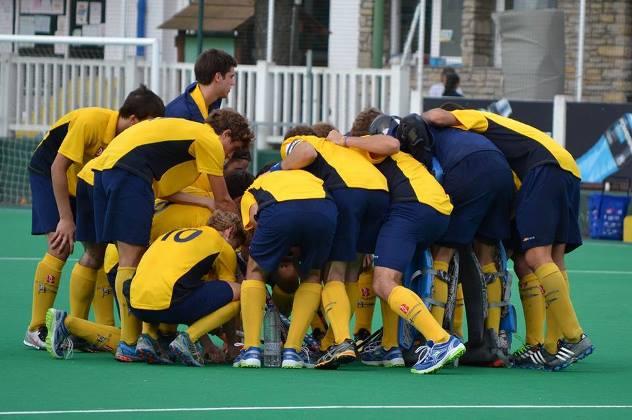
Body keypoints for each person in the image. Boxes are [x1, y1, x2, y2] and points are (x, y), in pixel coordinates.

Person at [422, 107, 593, 370]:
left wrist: (418, 121)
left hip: (543, 168)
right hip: (567, 168)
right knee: (551, 260)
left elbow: (436, 117)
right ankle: (548, 345)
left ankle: (574, 336)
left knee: (537, 257)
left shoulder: (475, 118)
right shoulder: (504, 136)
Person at [88, 109, 253, 361]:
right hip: (130, 172)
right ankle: (129, 342)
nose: (228, 155)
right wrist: (244, 228)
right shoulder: (209, 139)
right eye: (232, 147)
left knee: (127, 259)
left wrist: (204, 202)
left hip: (105, 170)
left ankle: (139, 339)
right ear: (226, 133)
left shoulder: (185, 136)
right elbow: (223, 199)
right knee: (130, 260)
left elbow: (164, 191)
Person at [24, 85, 164, 350]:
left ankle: (91, 328)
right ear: (133, 119)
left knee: (100, 248)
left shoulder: (128, 140)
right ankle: (36, 328)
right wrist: (66, 219)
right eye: (148, 124)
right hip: (49, 174)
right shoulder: (90, 121)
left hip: (83, 182)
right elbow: (58, 167)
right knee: (60, 245)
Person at [329, 110, 465, 374]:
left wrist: (345, 141)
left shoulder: (369, 146)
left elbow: (391, 143)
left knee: (383, 282)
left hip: (412, 207)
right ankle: (393, 343)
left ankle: (440, 340)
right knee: (393, 277)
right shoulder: (405, 161)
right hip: (436, 211)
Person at [279, 126, 391, 369]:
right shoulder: (340, 146)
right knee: (353, 271)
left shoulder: (299, 141)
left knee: (334, 273)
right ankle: (333, 340)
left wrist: (282, 167)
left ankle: (342, 341)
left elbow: (305, 152)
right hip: (380, 193)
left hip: (347, 192)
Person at [235, 167, 338, 369]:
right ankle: (293, 351)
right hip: (324, 210)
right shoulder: (311, 176)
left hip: (278, 210)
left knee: (255, 270)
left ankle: (251, 350)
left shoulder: (254, 188)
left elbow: (257, 219)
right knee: (313, 275)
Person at [165, 49, 236, 122]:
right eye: (231, 77)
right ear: (218, 77)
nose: (233, 83)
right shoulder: (177, 115)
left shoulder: (213, 102)